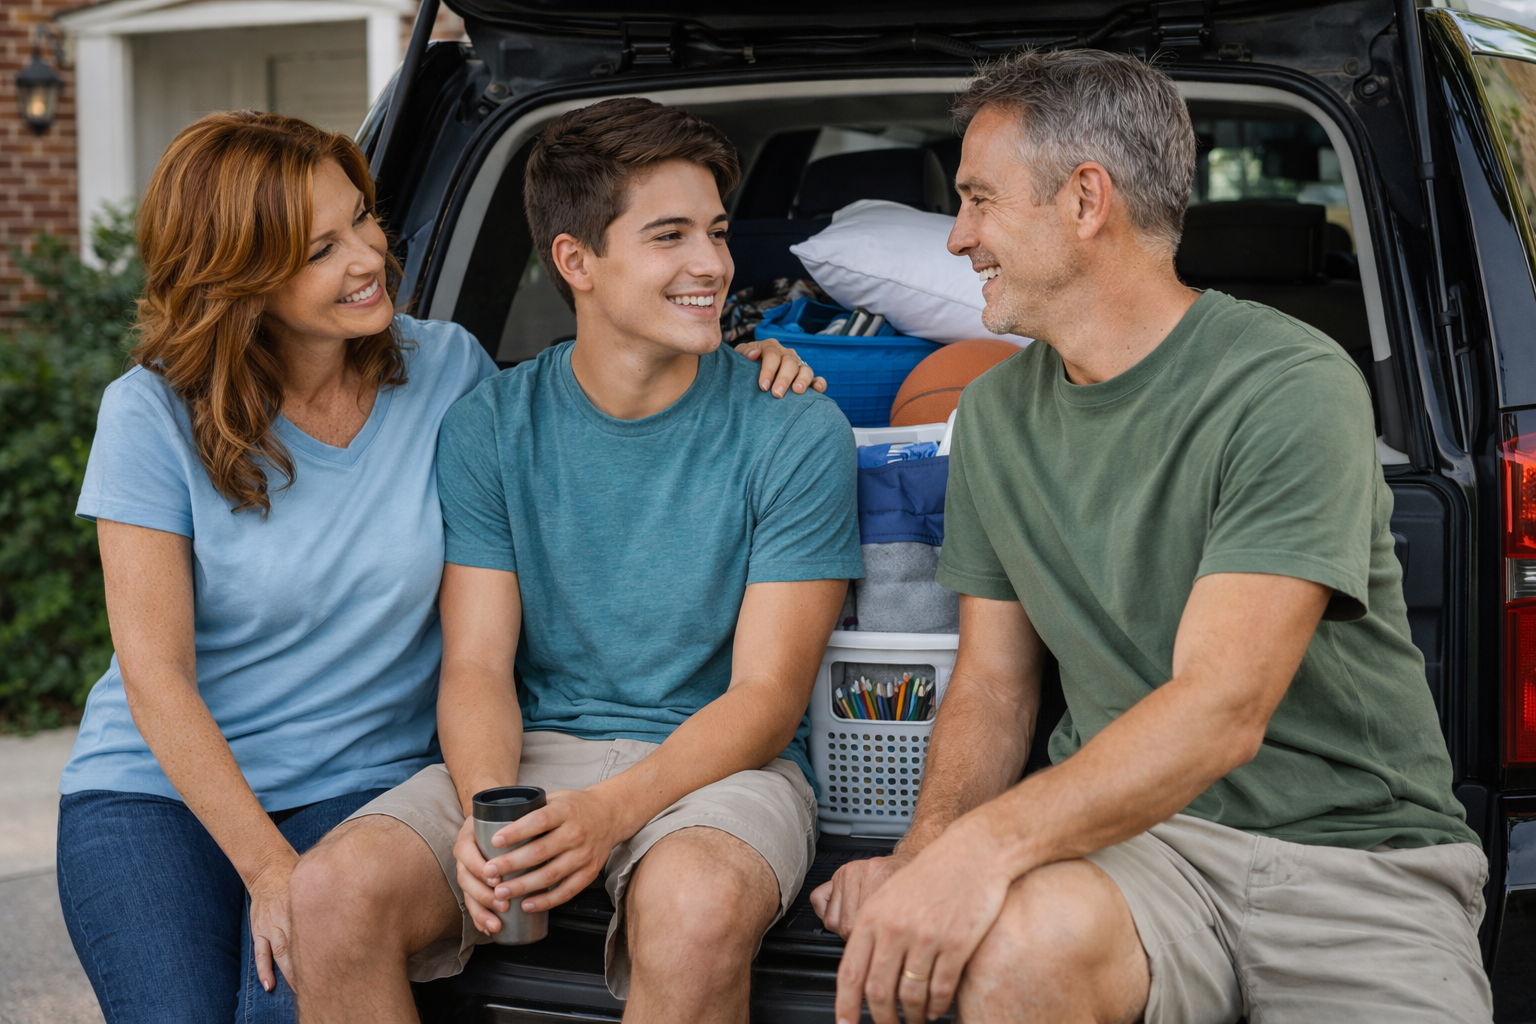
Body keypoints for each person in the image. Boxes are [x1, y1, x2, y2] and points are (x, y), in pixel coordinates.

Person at [54, 110, 820, 1024]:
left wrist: (751, 360)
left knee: (291, 981)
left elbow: (627, 389)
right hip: (161, 790)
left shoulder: (447, 370)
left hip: (354, 775)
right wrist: (272, 872)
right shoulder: (152, 414)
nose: (369, 257)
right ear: (242, 277)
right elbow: (156, 676)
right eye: (319, 250)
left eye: (364, 220)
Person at [812, 50, 1492, 1024]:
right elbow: (995, 684)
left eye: (978, 200)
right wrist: (924, 859)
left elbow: (1220, 708)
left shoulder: (1284, 382)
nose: (959, 236)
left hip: (1358, 868)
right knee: (1006, 951)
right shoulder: (997, 416)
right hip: (1141, 852)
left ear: (1086, 199)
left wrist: (979, 849)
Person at [283, 97, 864, 1024]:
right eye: (670, 236)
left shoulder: (794, 428)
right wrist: (488, 813)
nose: (713, 264)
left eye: (716, 232)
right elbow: (475, 665)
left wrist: (611, 812)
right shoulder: (490, 425)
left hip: (721, 769)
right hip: (530, 755)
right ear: (575, 261)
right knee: (328, 895)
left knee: (696, 907)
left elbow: (765, 700)